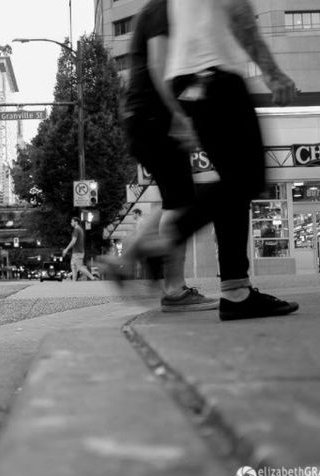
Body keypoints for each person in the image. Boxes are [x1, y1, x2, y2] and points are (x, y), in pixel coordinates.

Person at [123, 0, 299, 321]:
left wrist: (178, 111)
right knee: (247, 179)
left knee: (234, 182)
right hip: (215, 76)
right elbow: (239, 12)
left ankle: (236, 292)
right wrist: (273, 73)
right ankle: (164, 242)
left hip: (190, 80)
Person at [108, 0, 218, 312]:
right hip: (153, 118)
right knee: (182, 201)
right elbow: (159, 65)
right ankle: (173, 287)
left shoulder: (161, 11)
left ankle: (130, 255)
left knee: (176, 197)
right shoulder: (162, 11)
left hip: (145, 118)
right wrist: (178, 113)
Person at [61, 217, 95, 281]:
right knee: (73, 266)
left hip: (78, 252)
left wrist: (66, 249)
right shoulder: (80, 229)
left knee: (79, 267)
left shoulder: (76, 229)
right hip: (78, 251)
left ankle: (92, 277)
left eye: (72, 221)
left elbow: (73, 241)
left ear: (76, 222)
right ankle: (74, 281)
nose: (71, 223)